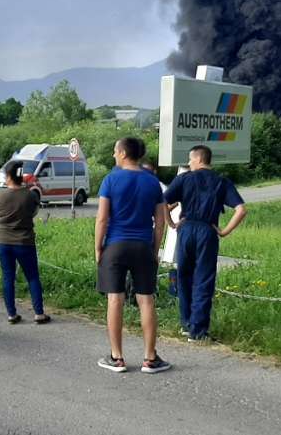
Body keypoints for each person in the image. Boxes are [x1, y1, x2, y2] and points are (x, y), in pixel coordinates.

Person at [95, 138, 170, 373]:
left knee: (114, 299)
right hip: (143, 246)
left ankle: (117, 357)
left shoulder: (111, 179)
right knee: (146, 300)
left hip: (115, 245)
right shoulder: (153, 182)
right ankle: (150, 358)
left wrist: (98, 248)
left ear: (123, 153)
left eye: (115, 150)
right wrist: (155, 250)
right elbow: (160, 223)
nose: (113, 154)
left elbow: (102, 218)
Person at [162, 144, 246, 341]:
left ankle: (186, 323)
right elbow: (241, 209)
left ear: (199, 159)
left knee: (184, 276)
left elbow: (162, 202)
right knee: (204, 278)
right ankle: (198, 331)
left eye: (191, 159)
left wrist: (171, 223)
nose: (189, 163)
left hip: (186, 229)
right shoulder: (221, 182)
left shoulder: (183, 179)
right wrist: (224, 231)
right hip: (207, 230)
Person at [0, 161, 49, 325]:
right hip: (24, 241)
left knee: (8, 277)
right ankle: (39, 313)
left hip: (3, 240)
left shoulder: (0, 195)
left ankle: (12, 314)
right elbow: (34, 212)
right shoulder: (30, 195)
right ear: (21, 175)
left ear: (9, 176)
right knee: (32, 276)